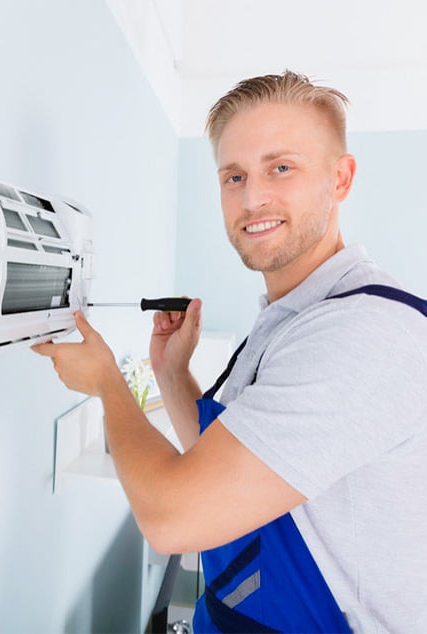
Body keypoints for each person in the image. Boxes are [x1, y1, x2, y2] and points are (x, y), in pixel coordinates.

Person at [32, 71, 427, 632]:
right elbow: (232, 476)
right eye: (233, 176)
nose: (252, 197)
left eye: (281, 168)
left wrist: (106, 385)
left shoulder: (362, 335)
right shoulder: (289, 320)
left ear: (340, 178)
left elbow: (174, 518)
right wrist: (172, 375)